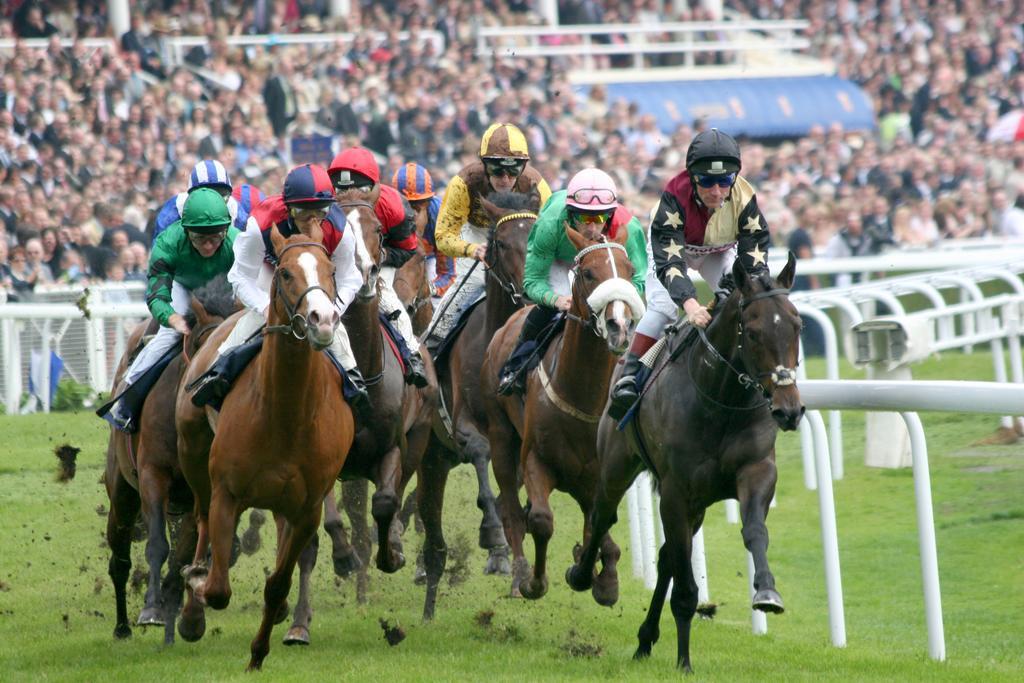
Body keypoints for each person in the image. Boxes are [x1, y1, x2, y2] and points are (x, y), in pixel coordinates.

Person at [609, 128, 772, 419]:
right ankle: (630, 372)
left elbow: (755, 253)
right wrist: (691, 304)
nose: (717, 191)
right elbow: (670, 264)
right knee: (663, 310)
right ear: (692, 176)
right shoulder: (672, 199)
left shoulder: (745, 197)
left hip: (719, 250)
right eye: (707, 181)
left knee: (748, 298)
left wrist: (751, 286)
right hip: (675, 251)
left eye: (725, 181)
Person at [188, 164, 369, 412]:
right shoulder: (260, 224)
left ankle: (353, 376)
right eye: (303, 213)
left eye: (321, 211)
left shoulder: (339, 228)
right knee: (253, 321)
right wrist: (264, 307)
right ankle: (218, 369)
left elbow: (351, 278)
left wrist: (333, 306)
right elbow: (240, 276)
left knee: (330, 322)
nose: (313, 220)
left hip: (315, 277)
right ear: (288, 209)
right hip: (270, 271)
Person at [497, 168, 648, 395]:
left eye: (598, 218)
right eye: (584, 218)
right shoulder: (551, 223)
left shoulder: (629, 227)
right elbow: (532, 280)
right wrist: (556, 300)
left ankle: (637, 373)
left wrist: (619, 299)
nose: (592, 228)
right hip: (561, 259)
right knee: (550, 309)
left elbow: (639, 280)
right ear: (570, 213)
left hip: (602, 263)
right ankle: (516, 365)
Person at [101, 188, 239, 432]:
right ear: (185, 231)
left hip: (222, 283)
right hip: (182, 285)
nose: (208, 245)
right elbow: (156, 295)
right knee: (169, 335)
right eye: (199, 238)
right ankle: (126, 397)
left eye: (215, 237)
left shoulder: (237, 242)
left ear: (226, 229)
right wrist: (171, 317)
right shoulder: (168, 243)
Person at [427, 122, 552, 345]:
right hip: (477, 235)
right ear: (484, 165)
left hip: (520, 238)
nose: (504, 178)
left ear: (522, 168)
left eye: (513, 170)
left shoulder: (536, 185)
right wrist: (472, 249)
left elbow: (549, 232)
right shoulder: (463, 183)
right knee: (466, 289)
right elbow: (444, 236)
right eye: (496, 169)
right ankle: (431, 344)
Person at [327, 147, 428, 386]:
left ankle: (412, 355)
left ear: (374, 188)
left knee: (391, 303)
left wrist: (379, 256)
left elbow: (407, 250)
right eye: (342, 189)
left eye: (360, 189)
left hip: (379, 260)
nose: (350, 196)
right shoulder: (324, 205)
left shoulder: (394, 207)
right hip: (336, 262)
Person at [391, 162, 455, 297]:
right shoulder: (385, 213)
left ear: (428, 203)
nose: (410, 215)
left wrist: (429, 289)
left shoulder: (441, 218)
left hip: (430, 260)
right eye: (405, 207)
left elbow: (448, 275)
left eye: (416, 208)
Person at [151, 159, 239, 243]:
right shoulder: (177, 208)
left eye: (220, 194)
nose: (212, 201)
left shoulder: (234, 209)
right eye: (205, 193)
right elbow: (160, 247)